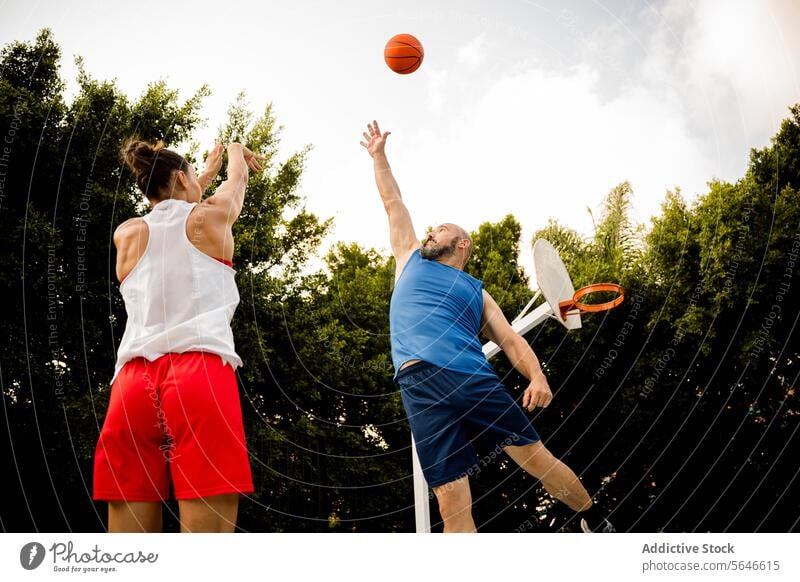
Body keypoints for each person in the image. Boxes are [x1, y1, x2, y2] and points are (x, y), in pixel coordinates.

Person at [360, 120, 615, 533]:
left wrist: (536, 376)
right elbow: (394, 203)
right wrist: (379, 156)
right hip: (417, 386)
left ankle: (594, 520)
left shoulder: (477, 293)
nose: (430, 231)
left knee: (535, 459)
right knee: (451, 502)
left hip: (468, 376)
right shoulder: (408, 257)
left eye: (440, 228)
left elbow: (511, 342)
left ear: (461, 243)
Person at [93, 139, 266, 532]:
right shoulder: (211, 218)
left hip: (133, 385)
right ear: (182, 178)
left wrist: (195, 174)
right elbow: (234, 184)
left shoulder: (128, 233)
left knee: (131, 557)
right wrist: (236, 152)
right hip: (198, 376)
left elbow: (171, 211)